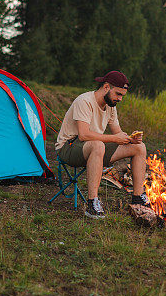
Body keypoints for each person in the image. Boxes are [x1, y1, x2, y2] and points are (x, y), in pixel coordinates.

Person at [54, 71, 149, 219]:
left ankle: (138, 198)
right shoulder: (84, 101)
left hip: (95, 148)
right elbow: (83, 135)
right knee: (98, 145)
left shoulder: (111, 106)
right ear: (106, 87)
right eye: (118, 94)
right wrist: (114, 138)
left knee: (139, 147)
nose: (120, 98)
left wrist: (131, 139)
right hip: (69, 147)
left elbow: (118, 133)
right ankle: (92, 203)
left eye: (122, 95)